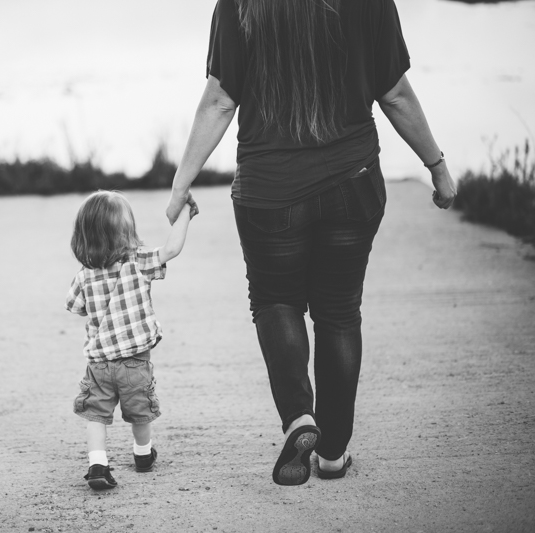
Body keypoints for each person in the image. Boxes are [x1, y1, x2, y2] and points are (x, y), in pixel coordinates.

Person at [166, 0, 456, 486]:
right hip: (353, 182)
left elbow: (220, 99)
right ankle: (333, 456)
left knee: (276, 300)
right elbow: (396, 94)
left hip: (268, 190)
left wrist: (181, 183)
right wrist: (438, 166)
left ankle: (300, 417)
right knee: (339, 313)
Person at [66, 190, 194, 490]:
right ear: (126, 231)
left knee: (96, 415)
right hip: (135, 362)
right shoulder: (138, 261)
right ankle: (143, 454)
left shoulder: (85, 275)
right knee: (140, 411)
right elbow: (172, 249)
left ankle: (97, 465)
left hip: (98, 365)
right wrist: (186, 211)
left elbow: (76, 307)